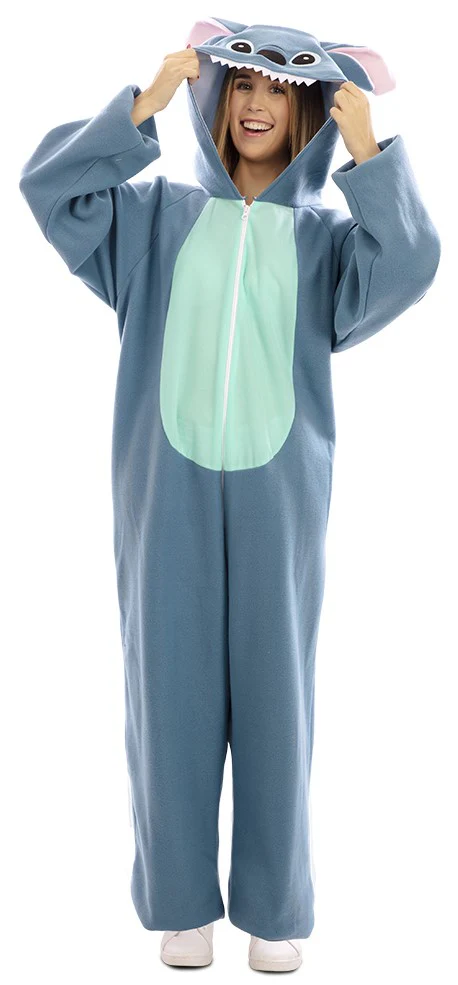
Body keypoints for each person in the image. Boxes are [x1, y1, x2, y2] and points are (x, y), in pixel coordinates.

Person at [18, 16, 441, 974]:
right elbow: (49, 187)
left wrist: (371, 154)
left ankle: (274, 906)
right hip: (160, 488)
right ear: (215, 95)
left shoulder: (328, 240)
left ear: (308, 113)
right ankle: (180, 903)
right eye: (241, 84)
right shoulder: (155, 219)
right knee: (166, 689)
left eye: (281, 93)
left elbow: (412, 263)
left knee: (276, 694)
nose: (256, 105)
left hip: (281, 495)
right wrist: (140, 109)